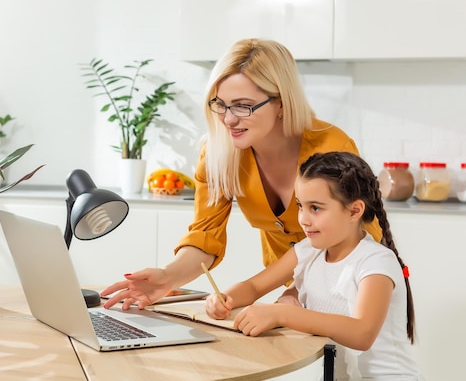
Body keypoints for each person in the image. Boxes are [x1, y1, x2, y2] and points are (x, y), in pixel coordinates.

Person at [101, 38, 381, 310]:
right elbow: (205, 236)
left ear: (281, 102)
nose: (228, 119)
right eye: (220, 104)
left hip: (349, 279)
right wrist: (168, 276)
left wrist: (297, 289)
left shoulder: (331, 147)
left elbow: (357, 236)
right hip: (285, 283)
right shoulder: (218, 153)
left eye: (243, 105)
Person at [204, 151, 423, 380]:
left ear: (355, 210)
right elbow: (254, 287)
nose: (303, 219)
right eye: (300, 205)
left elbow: (362, 333)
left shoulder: (376, 261)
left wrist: (282, 314)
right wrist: (224, 297)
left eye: (315, 208)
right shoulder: (308, 252)